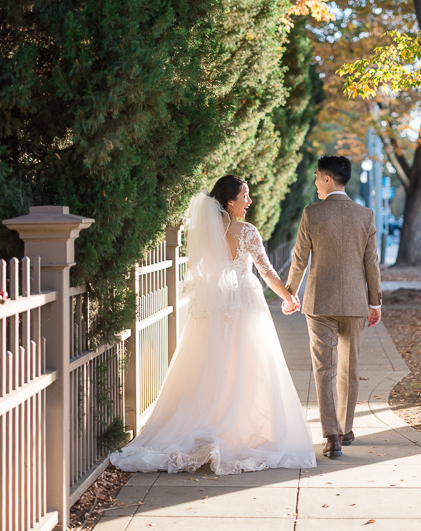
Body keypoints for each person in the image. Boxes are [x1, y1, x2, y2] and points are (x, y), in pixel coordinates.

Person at [110, 175, 316, 475]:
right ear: (230, 201)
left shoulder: (207, 232)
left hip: (216, 305)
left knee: (213, 364)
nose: (249, 201)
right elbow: (267, 271)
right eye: (245, 195)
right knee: (248, 364)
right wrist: (288, 297)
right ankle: (235, 429)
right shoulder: (246, 231)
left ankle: (213, 420)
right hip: (244, 302)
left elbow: (204, 270)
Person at [283, 155, 382, 458]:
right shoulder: (365, 215)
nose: (314, 183)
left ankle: (331, 436)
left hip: (319, 302)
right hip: (355, 303)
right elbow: (371, 263)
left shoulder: (312, 213)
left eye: (316, 178)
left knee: (324, 369)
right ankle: (346, 428)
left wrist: (290, 294)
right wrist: (374, 301)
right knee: (349, 368)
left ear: (327, 179)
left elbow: (299, 259)